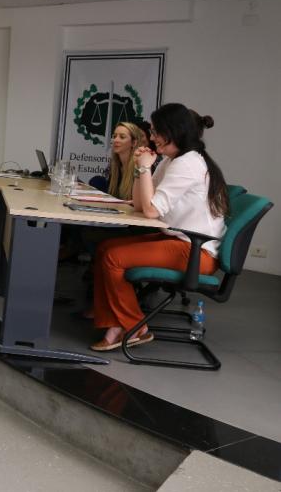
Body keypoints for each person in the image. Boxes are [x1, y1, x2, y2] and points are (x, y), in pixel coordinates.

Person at [91, 104, 228, 351]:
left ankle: (134, 327)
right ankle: (115, 322)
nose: (151, 137)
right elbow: (142, 204)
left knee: (113, 257)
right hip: (180, 241)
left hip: (197, 251)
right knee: (105, 248)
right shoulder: (171, 160)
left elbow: (151, 210)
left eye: (155, 131)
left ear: (172, 131)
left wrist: (144, 167)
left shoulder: (188, 164)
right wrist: (139, 169)